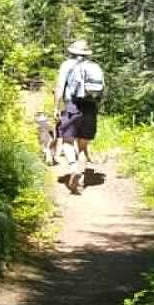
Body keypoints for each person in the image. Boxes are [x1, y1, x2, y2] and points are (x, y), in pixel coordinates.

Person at [54, 39, 105, 193]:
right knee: (83, 147)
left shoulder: (67, 65)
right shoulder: (94, 67)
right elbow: (102, 91)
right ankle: (80, 181)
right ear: (87, 53)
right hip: (90, 107)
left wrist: (56, 107)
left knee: (67, 141)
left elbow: (59, 87)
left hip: (73, 106)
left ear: (72, 52)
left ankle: (74, 168)